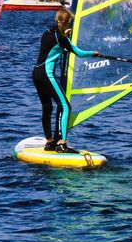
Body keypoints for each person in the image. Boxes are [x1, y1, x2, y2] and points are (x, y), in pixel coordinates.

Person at [32, 8, 102, 153]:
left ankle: (50, 143)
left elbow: (55, 43)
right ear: (68, 21)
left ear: (56, 20)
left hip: (36, 74)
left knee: (47, 108)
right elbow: (79, 53)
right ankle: (62, 144)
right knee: (65, 106)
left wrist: (65, 35)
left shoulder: (47, 32)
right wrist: (93, 53)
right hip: (46, 74)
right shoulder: (62, 39)